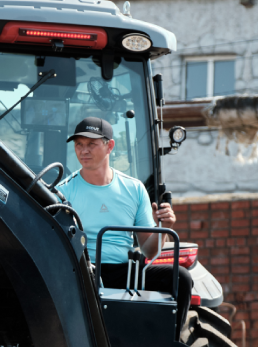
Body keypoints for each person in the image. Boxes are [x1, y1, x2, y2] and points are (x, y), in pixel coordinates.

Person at [58, 117, 193, 326]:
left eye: (91, 144)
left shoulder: (134, 189)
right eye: (79, 144)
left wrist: (164, 227)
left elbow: (149, 251)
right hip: (83, 270)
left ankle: (171, 343)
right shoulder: (63, 192)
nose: (84, 150)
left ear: (109, 146)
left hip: (125, 272)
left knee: (180, 278)